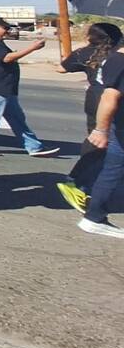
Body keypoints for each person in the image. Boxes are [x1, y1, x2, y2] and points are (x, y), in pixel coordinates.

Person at [56, 22, 123, 213]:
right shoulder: (118, 53)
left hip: (95, 99)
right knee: (103, 143)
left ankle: (83, 181)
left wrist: (72, 59)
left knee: (102, 142)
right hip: (110, 99)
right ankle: (78, 182)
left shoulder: (85, 53)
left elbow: (61, 68)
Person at [0, 17, 59, 157]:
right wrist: (32, 48)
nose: (7, 31)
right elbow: (7, 58)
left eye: (8, 28)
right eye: (4, 28)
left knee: (17, 118)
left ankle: (34, 147)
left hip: (5, 87)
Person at [79, 48, 124, 238]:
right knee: (112, 172)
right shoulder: (121, 61)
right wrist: (101, 130)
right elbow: (109, 97)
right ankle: (94, 217)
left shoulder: (115, 58)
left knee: (112, 171)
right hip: (120, 128)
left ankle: (94, 216)